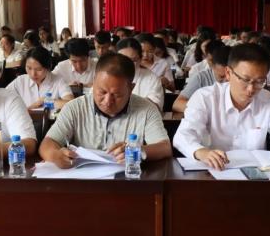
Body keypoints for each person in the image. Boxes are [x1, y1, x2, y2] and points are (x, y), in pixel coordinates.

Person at [173, 44, 270, 171]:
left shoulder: (268, 101)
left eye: (259, 81)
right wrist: (201, 152)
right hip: (212, 172)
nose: (251, 89)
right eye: (245, 80)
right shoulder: (205, 97)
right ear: (228, 73)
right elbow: (183, 135)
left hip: (254, 177)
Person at [39, 53, 172, 167]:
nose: (108, 101)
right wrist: (55, 155)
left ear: (131, 88)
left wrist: (138, 151)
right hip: (83, 182)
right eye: (102, 92)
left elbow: (165, 148)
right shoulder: (75, 108)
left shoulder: (146, 110)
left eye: (117, 95)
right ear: (94, 81)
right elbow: (48, 143)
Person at [7, 47, 73, 110]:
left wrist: (47, 101)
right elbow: (3, 98)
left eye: (39, 69)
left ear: (48, 67)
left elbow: (71, 105)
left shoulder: (58, 81)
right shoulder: (21, 81)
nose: (33, 74)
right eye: (29, 68)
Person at [172, 45, 230, 113]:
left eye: (230, 75)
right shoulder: (201, 78)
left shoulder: (242, 80)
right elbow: (177, 104)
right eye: (222, 76)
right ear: (212, 66)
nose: (227, 80)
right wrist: (206, 109)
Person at [116, 38, 164, 111]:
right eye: (123, 59)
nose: (127, 64)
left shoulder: (151, 78)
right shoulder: (107, 76)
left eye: (133, 60)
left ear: (140, 59)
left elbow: (154, 106)